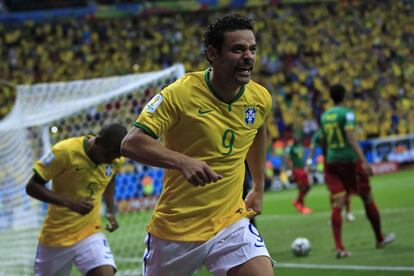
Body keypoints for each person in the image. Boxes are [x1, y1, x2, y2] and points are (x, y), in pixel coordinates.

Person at [121, 12, 274, 276]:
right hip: (177, 228)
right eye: (238, 49)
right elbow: (131, 142)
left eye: (252, 49)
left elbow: (258, 131)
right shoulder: (180, 94)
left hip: (230, 222)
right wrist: (182, 162)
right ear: (212, 54)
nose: (248, 56)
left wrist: (258, 186)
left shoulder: (259, 98)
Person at [26, 123, 127, 276]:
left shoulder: (115, 159)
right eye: (107, 156)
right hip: (56, 237)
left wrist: (111, 211)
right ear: (97, 141)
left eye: (113, 159)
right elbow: (32, 186)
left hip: (89, 233)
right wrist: (68, 202)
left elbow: (110, 178)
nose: (109, 161)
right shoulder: (65, 151)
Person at [321, 84, 395, 259]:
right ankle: (379, 238)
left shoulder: (325, 116)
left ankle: (340, 248)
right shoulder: (347, 113)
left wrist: (327, 162)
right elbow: (351, 137)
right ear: (344, 96)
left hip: (332, 161)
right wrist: (364, 161)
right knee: (366, 196)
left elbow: (325, 140)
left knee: (338, 202)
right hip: (349, 161)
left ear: (331, 97)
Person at [308, 126, 355, 222]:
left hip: (340, 160)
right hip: (329, 162)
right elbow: (312, 148)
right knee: (333, 191)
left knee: (346, 189)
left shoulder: (336, 130)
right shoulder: (318, 134)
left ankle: (348, 213)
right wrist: (309, 162)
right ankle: (334, 215)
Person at [286, 134, 312, 214]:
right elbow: (289, 160)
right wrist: (290, 172)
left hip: (302, 168)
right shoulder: (292, 148)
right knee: (302, 187)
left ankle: (297, 202)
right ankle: (301, 206)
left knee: (307, 186)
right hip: (296, 169)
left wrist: (307, 165)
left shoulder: (300, 146)